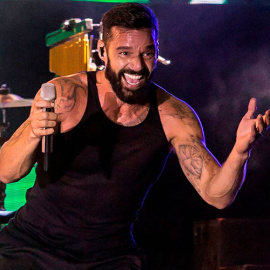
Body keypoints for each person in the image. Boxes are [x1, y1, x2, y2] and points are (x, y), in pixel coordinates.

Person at [0, 2, 269, 269]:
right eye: (125, 53)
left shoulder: (173, 116)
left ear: (157, 52)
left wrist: (240, 151)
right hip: (32, 247)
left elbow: (217, 195)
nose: (137, 66)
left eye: (147, 54)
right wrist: (34, 132)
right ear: (103, 51)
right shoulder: (65, 95)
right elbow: (6, 171)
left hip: (110, 258)